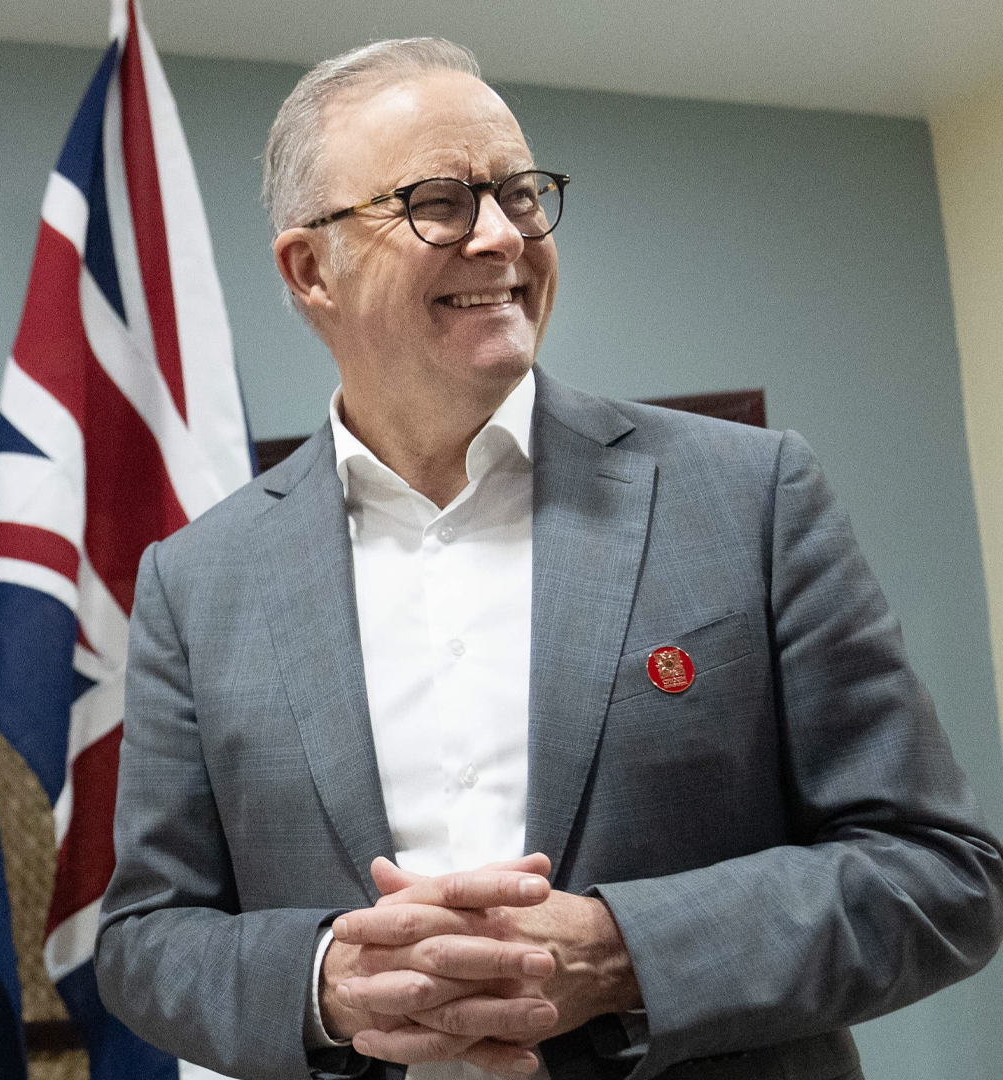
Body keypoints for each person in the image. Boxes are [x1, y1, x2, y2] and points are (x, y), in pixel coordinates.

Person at [93, 37, 1003, 1080]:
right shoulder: (197, 584)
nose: (501, 236)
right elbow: (148, 937)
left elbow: (942, 876)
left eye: (520, 193)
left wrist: (623, 954)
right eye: (439, 200)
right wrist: (325, 981)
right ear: (311, 270)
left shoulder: (751, 496)